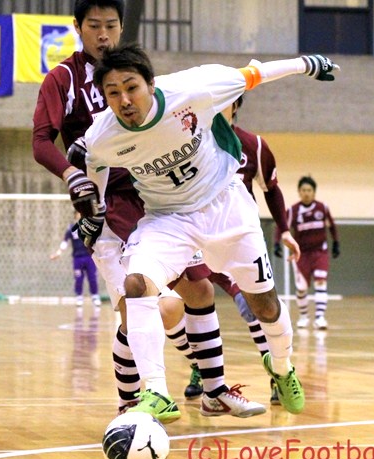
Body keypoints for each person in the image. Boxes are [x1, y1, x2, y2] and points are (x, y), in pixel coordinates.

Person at [75, 43, 339, 417]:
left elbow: (255, 74)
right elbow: (95, 164)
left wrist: (305, 63)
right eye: (113, 93)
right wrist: (96, 208)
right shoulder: (103, 134)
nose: (125, 100)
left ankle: (282, 367)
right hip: (168, 217)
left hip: (225, 205)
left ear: (151, 84)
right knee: (136, 285)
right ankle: (156, 391)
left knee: (265, 305)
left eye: (131, 87)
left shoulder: (193, 89)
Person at [33, 0, 261, 422]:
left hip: (156, 197)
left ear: (121, 28)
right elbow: (41, 141)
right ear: (77, 27)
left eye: (111, 25)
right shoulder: (63, 79)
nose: (103, 34)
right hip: (109, 205)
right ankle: (130, 405)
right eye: (94, 25)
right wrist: (72, 175)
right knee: (144, 307)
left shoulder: (134, 73)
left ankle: (214, 392)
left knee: (199, 290)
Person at [276, 176, 339, 330]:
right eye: (303, 190)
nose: (306, 193)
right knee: (302, 288)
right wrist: (276, 243)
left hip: (320, 252)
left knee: (320, 282)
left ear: (314, 192)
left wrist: (336, 242)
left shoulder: (322, 208)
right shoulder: (293, 211)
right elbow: (281, 227)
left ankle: (320, 318)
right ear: (299, 192)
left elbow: (332, 226)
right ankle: (303, 317)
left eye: (309, 190)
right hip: (301, 254)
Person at [50, 211, 101, 306]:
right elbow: (65, 241)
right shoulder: (71, 228)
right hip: (77, 258)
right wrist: (58, 252)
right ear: (75, 215)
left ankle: (95, 296)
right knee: (78, 278)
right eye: (78, 214)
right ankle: (79, 297)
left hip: (89, 257)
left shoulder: (90, 227)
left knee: (92, 277)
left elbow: (97, 240)